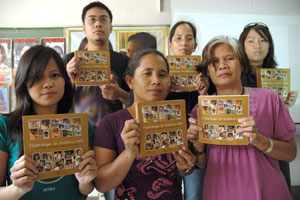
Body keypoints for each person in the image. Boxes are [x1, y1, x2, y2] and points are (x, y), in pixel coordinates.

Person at [189, 35, 296, 200]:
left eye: (229, 58)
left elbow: (291, 154)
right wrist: (199, 149)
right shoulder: (200, 110)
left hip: (268, 191)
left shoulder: (269, 99)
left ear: (242, 65)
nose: (222, 65)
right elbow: (202, 164)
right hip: (219, 193)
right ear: (208, 71)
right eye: (214, 61)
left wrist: (261, 141)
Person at [93, 49, 196, 199]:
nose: (156, 80)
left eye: (162, 75)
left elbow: (181, 170)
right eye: (147, 73)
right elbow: (102, 184)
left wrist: (185, 167)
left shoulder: (177, 119)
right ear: (130, 81)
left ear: (169, 82)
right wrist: (129, 152)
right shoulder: (111, 123)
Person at [0, 45, 97, 200]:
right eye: (37, 77)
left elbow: (85, 189)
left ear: (65, 80)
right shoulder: (5, 126)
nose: (48, 84)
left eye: (55, 75)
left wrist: (85, 181)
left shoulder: (81, 126)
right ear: (24, 83)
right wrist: (17, 189)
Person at [65, 2, 130, 199]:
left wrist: (120, 95)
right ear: (84, 28)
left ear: (111, 27)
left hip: (114, 139)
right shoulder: (69, 59)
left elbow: (136, 103)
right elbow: (57, 102)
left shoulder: (123, 62)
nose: (98, 24)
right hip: (78, 136)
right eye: (91, 20)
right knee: (77, 190)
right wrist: (68, 79)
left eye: (104, 19)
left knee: (112, 190)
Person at [239, 22, 298, 192]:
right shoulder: (235, 78)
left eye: (263, 40)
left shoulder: (277, 76)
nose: (257, 45)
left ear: (269, 45)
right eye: (251, 41)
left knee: (278, 189)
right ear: (242, 45)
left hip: (275, 146)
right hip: (247, 149)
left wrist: (285, 107)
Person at [167, 20, 208, 200]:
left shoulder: (205, 75)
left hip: (195, 145)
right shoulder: (162, 72)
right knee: (169, 193)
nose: (183, 43)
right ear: (170, 45)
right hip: (169, 146)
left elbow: (212, 112)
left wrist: (204, 93)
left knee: (194, 196)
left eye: (189, 38)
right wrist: (164, 90)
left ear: (195, 45)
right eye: (178, 38)